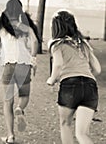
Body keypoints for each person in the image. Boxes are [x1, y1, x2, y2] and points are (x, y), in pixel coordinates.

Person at [46, 10, 101, 144]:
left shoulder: (56, 44)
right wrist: (84, 78)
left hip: (69, 85)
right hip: (90, 86)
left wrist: (52, 80)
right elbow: (97, 69)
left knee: (65, 124)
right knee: (82, 134)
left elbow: (58, 64)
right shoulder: (84, 44)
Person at [0, 0, 39, 144]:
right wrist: (33, 57)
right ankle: (20, 108)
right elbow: (35, 41)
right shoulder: (25, 27)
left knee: (7, 102)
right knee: (24, 96)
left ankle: (10, 136)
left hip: (8, 66)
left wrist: (2, 52)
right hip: (23, 65)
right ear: (20, 10)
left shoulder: (2, 29)